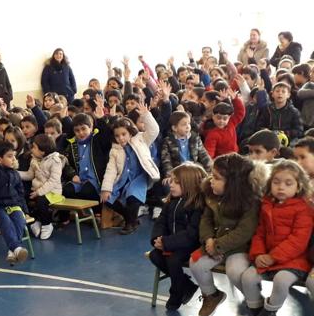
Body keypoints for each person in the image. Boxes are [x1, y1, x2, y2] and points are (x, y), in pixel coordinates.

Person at [189, 153, 265, 316]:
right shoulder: (212, 195)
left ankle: (256, 304)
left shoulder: (249, 201)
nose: (211, 180)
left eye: (216, 178)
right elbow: (206, 220)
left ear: (233, 184)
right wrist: (209, 240)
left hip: (239, 248)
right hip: (213, 243)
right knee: (196, 263)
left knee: (235, 272)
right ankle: (212, 295)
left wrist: (218, 246)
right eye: (211, 175)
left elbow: (245, 231)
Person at [241, 160, 313, 316]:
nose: (281, 187)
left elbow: (298, 241)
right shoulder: (266, 205)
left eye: (288, 184)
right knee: (247, 278)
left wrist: (273, 257)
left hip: (294, 261)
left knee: (281, 280)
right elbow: (260, 233)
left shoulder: (303, 208)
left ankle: (269, 311)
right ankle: (256, 308)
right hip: (267, 258)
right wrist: (258, 254)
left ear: (298, 186)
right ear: (270, 184)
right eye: (276, 182)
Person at [149, 163, 206, 310]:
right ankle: (186, 285)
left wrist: (167, 242)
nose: (171, 185)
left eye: (176, 182)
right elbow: (161, 222)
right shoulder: (171, 202)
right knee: (155, 255)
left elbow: (191, 234)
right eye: (171, 181)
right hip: (172, 243)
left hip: (189, 245)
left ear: (189, 184)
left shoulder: (196, 205)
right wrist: (158, 238)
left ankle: (176, 294)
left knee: (173, 259)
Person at [100, 103, 160, 235]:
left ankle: (129, 223)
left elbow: (154, 131)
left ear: (130, 132)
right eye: (117, 136)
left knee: (133, 196)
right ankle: (131, 219)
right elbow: (111, 171)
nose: (121, 138)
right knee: (108, 200)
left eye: (123, 134)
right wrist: (106, 189)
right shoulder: (115, 150)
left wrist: (146, 116)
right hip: (123, 179)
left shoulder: (141, 139)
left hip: (140, 177)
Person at [0, 141, 30, 265]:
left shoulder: (14, 173)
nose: (13, 159)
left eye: (14, 156)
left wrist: (25, 210)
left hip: (13, 205)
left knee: (19, 220)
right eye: (9, 156)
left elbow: (20, 193)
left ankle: (12, 251)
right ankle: (17, 248)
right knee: (6, 223)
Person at [19, 134, 64, 240]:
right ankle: (35, 221)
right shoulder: (34, 159)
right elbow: (30, 175)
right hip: (38, 191)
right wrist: (15, 173)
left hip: (53, 193)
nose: (31, 149)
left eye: (34, 147)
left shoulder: (55, 161)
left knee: (41, 200)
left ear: (43, 151)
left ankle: (47, 224)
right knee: (24, 197)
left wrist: (39, 192)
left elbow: (53, 181)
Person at [203, 90, 245, 159]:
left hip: (235, 156)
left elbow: (240, 112)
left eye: (225, 119)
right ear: (213, 116)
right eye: (218, 118)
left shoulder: (231, 123)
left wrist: (235, 100)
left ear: (229, 118)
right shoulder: (212, 134)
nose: (221, 121)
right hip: (221, 161)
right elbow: (209, 153)